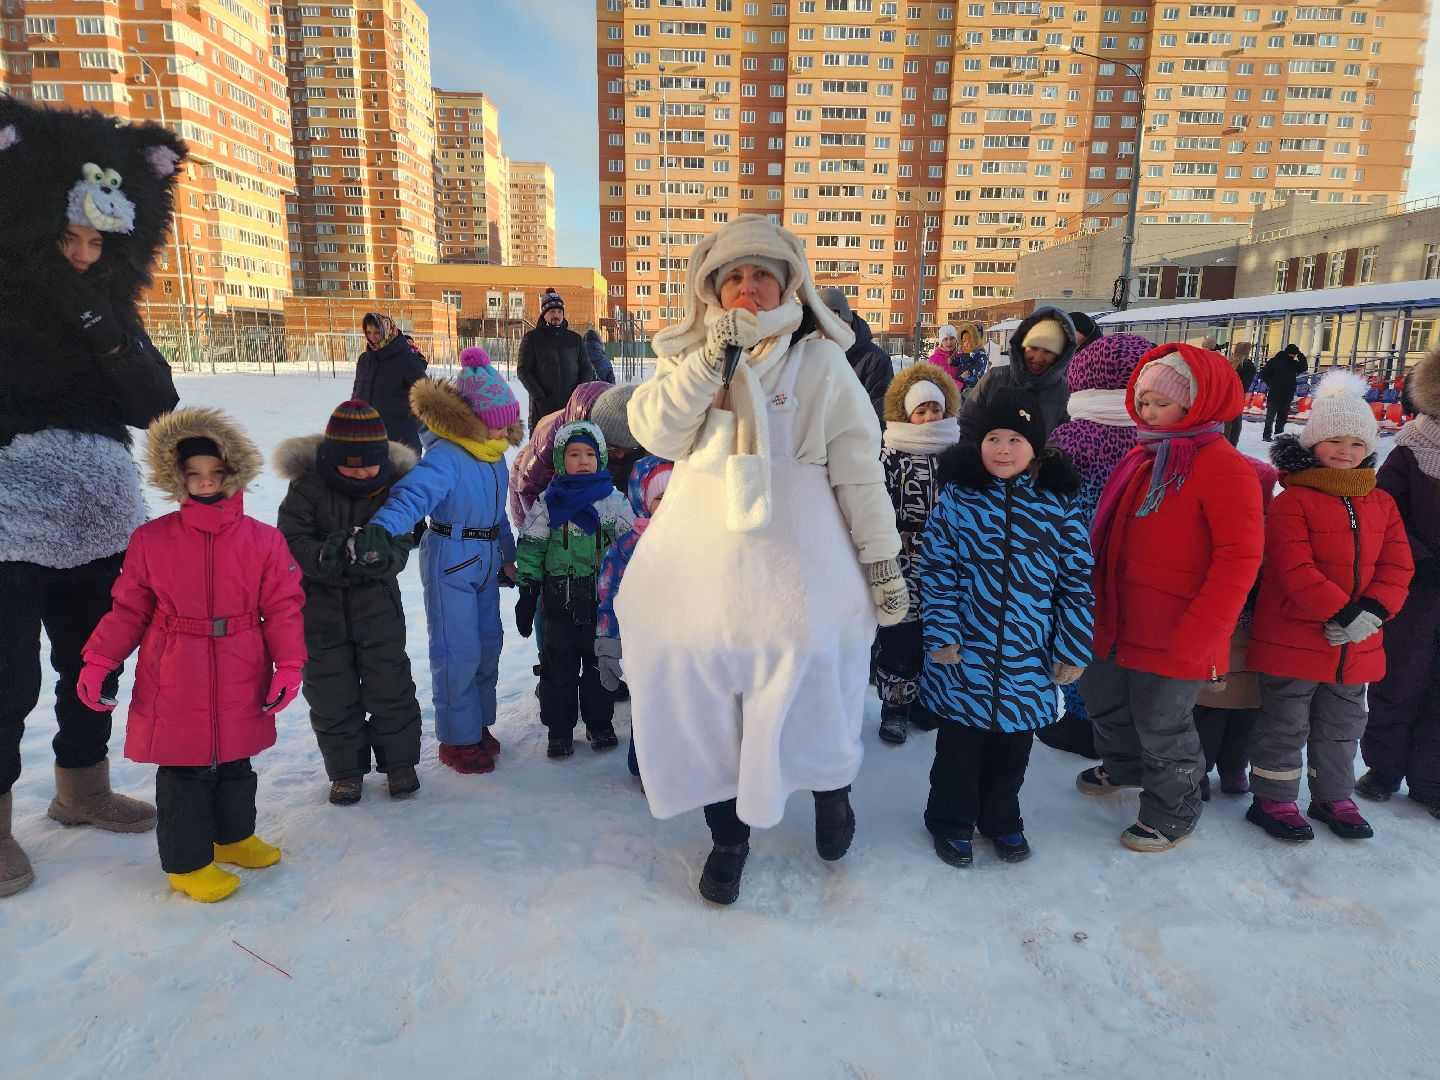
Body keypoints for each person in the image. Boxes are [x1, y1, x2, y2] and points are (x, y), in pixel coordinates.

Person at [618, 214, 904, 906]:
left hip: (799, 560)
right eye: (734, 277)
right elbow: (654, 429)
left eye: (763, 276)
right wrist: (711, 361)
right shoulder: (687, 360)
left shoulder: (822, 364)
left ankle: (831, 790)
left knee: (817, 681)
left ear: (789, 288)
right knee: (705, 694)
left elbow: (859, 473)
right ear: (714, 289)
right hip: (701, 568)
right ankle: (729, 835)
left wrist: (882, 563)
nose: (748, 288)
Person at [0, 100, 186, 898]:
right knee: (8, 675)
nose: (81, 253)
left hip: (99, 506)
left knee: (95, 660)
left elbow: (155, 402)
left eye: (95, 240)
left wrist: (100, 324)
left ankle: (81, 787)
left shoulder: (112, 304)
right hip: (9, 506)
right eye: (66, 238)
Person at [77, 409, 306, 902]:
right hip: (175, 668)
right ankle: (187, 863)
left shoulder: (264, 541)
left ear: (233, 474)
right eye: (193, 475)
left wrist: (288, 664)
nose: (204, 484)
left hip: (243, 663)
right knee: (185, 770)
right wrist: (100, 661)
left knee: (236, 761)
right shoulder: (151, 540)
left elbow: (284, 607)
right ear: (176, 477)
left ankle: (233, 836)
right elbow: (128, 609)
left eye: (215, 474)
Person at [1077, 343, 1264, 851]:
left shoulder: (1224, 466)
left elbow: (1239, 558)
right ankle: (1123, 766)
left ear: (1198, 403)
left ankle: (1172, 812)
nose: (1149, 409)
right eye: (1144, 399)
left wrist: (1206, 632)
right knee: (1106, 700)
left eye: (1163, 401)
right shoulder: (1143, 454)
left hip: (1177, 625)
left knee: (1163, 725)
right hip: (1117, 613)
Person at [920, 392, 1093, 868]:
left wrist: (1073, 645)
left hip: (1027, 658)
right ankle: (951, 819)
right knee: (959, 747)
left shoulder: (1058, 505)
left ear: (1035, 447)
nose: (1002, 448)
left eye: (1015, 439)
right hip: (965, 656)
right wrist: (941, 633)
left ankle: (1002, 817)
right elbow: (936, 569)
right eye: (993, 438)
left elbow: (1076, 580)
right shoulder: (959, 499)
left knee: (1012, 749)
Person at [1244, 372, 1413, 841]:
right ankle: (1273, 799)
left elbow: (1399, 564)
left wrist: (1374, 613)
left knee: (1342, 727)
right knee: (1285, 724)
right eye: (1333, 440)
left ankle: (1332, 796)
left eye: (1358, 442)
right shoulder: (1292, 500)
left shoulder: (1380, 502)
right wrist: (1342, 613)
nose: (1346, 450)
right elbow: (1291, 566)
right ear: (1313, 443)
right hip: (1295, 640)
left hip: (1356, 646)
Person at [358, 350, 523, 776]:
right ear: (472, 419)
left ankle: (477, 725)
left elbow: (497, 516)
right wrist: (381, 528)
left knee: (488, 644)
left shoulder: (495, 456)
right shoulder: (448, 456)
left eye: (508, 420)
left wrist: (508, 555)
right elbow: (412, 497)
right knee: (457, 650)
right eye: (497, 419)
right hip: (450, 556)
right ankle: (456, 737)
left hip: (485, 558)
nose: (504, 428)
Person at [275, 401, 423, 805]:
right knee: (330, 693)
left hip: (377, 609)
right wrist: (325, 555)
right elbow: (289, 540)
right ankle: (346, 770)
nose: (360, 472)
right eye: (350, 465)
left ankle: (400, 763)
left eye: (368, 465)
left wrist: (382, 558)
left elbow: (404, 539)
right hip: (320, 613)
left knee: (390, 686)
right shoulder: (308, 486)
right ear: (331, 458)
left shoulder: (393, 487)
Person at [1041, 333, 1153, 759]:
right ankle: (1129, 726)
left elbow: (1050, 508)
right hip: (1142, 565)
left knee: (1080, 637)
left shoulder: (1070, 440)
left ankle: (1082, 720)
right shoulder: (1157, 440)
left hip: (1078, 564)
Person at [515, 421, 634, 758]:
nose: (583, 460)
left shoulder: (613, 502)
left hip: (599, 600)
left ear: (602, 458)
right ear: (559, 460)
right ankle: (560, 728)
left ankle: (600, 724)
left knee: (600, 666)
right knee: (558, 666)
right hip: (559, 598)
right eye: (573, 454)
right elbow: (532, 547)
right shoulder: (548, 503)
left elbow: (629, 547)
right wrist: (527, 590)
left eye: (590, 454)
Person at [1358, 347, 1440, 816]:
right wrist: (1420, 560)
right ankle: (1384, 767)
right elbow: (1385, 512)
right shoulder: (1413, 446)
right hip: (1417, 588)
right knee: (1399, 677)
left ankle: (1432, 778)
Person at [874, 362, 963, 746]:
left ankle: (929, 697)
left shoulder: (960, 454)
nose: (929, 418)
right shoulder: (889, 454)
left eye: (936, 410)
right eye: (921, 410)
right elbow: (874, 504)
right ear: (906, 414)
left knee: (940, 630)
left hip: (947, 561)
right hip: (901, 560)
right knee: (901, 635)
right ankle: (895, 703)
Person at [594, 455, 673, 776]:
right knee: (649, 707)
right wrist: (608, 642)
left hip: (686, 643)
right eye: (660, 497)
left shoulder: (698, 543)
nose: (670, 504)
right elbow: (610, 596)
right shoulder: (627, 547)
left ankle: (680, 765)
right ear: (642, 500)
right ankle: (645, 768)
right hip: (644, 644)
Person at [961, 308, 1078, 435]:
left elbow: (1064, 447)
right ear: (1022, 346)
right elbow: (966, 425)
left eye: (1048, 351)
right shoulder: (994, 378)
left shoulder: (1066, 395)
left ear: (1060, 356)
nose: (1038, 357)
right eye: (1033, 347)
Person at [517, 288, 596, 433]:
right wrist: (541, 398)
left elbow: (586, 369)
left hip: (571, 410)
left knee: (570, 452)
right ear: (544, 314)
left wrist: (577, 396)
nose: (556, 315)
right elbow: (523, 371)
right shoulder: (532, 339)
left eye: (559, 311)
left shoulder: (575, 339)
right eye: (552, 311)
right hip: (542, 412)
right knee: (542, 452)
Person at [353, 313, 427, 455]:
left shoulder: (406, 359)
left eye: (377, 332)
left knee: (403, 477)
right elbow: (358, 391)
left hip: (400, 437)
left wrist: (404, 417)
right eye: (369, 332)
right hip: (367, 434)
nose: (372, 337)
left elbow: (424, 395)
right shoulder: (365, 360)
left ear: (387, 331)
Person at [820, 286, 894, 424]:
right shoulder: (806, 357)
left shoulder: (875, 361)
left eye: (836, 325)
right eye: (821, 327)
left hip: (857, 443)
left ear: (849, 321)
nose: (827, 334)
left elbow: (881, 418)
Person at [1259, 342, 1308, 442]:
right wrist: (1272, 383)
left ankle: (1268, 435)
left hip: (1278, 392)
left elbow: (1263, 374)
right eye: (1295, 354)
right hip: (1283, 392)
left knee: (1272, 416)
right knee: (1281, 417)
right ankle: (1277, 435)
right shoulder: (1283, 362)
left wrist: (1271, 383)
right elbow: (1263, 374)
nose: (1295, 356)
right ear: (1292, 353)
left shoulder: (1281, 362)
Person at [1224, 342, 1258, 446]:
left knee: (1227, 420)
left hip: (1226, 394)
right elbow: (1246, 385)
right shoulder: (1249, 366)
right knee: (1235, 421)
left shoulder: (1228, 362)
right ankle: (1231, 444)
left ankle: (1225, 443)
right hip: (1237, 395)